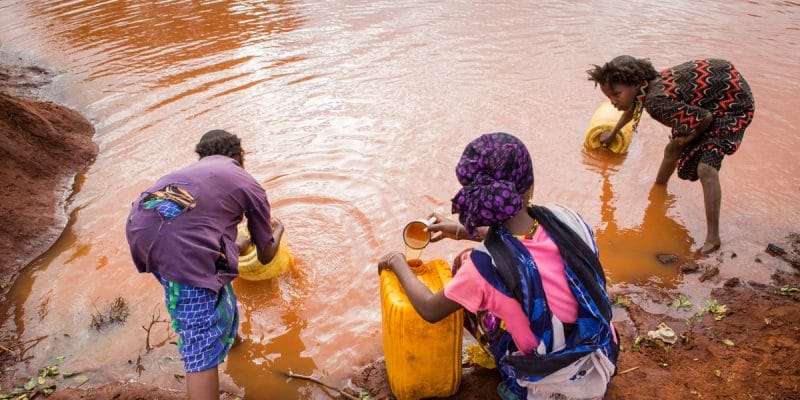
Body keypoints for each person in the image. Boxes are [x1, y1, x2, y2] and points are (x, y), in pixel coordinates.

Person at [378, 132, 617, 400]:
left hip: (549, 384)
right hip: (600, 355)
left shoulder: (481, 266)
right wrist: (459, 231)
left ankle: (515, 382)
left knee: (463, 262)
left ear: (475, 195)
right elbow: (525, 244)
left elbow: (430, 309)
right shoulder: (567, 218)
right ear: (530, 186)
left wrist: (396, 262)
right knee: (510, 280)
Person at [125, 129, 284, 400]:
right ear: (239, 156)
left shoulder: (186, 175)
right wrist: (279, 230)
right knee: (199, 339)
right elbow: (266, 254)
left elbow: (188, 226)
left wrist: (237, 245)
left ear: (202, 155)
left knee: (209, 282)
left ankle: (235, 349)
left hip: (142, 229)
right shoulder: (246, 181)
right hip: (180, 248)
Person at [587, 56, 755, 254]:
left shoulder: (656, 102)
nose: (614, 102)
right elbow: (633, 109)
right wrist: (613, 134)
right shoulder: (647, 87)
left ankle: (713, 239)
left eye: (617, 94)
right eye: (609, 98)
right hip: (711, 99)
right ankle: (658, 189)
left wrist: (688, 138)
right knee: (672, 149)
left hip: (730, 105)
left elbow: (705, 118)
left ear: (635, 84)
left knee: (706, 168)